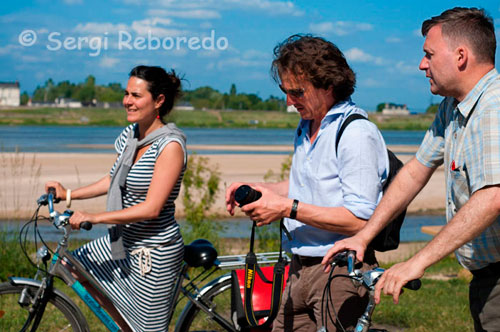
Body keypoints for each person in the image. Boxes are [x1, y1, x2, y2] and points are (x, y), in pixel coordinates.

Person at [322, 7, 500, 332]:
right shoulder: (453, 106)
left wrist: (416, 263)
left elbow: (492, 197)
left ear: (461, 56)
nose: (422, 65)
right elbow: (416, 169)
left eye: (429, 55)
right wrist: (364, 236)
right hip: (487, 275)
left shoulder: (493, 109)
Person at [225, 35, 389, 332]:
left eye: (297, 92)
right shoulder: (308, 125)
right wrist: (258, 190)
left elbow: (362, 220)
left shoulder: (356, 133)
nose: (289, 102)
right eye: (285, 91)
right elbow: (303, 188)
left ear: (328, 85)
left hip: (340, 271)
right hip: (299, 268)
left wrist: (286, 208)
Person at [45, 65, 187, 332]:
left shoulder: (170, 146)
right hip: (123, 241)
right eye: (126, 93)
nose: (127, 101)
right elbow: (114, 179)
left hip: (153, 253)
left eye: (136, 95)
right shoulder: (131, 136)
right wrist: (69, 194)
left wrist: (95, 217)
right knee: (72, 266)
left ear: (158, 101)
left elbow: (152, 208)